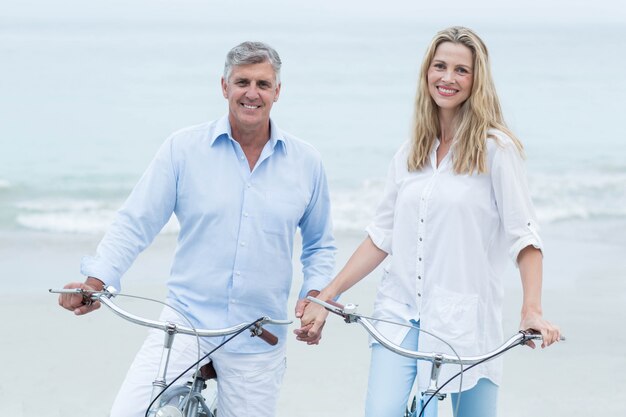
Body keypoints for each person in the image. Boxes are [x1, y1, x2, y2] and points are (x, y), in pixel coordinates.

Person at [58, 41, 335, 417]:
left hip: (259, 331)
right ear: (224, 87)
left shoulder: (307, 162)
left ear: (277, 92)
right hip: (185, 320)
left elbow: (319, 245)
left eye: (263, 84)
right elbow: (136, 222)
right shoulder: (183, 148)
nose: (251, 93)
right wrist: (97, 282)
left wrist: (315, 295)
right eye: (242, 82)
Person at [295, 26, 561, 417]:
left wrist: (531, 309)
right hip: (398, 314)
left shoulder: (496, 151)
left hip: (465, 320)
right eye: (439, 66)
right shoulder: (409, 153)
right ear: (426, 73)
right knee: (382, 411)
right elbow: (380, 237)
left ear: (477, 80)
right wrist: (327, 295)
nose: (447, 78)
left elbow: (525, 239)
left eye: (461, 70)